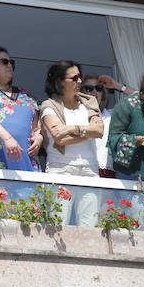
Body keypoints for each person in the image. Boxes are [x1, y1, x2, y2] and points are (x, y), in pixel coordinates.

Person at [40, 61, 104, 226]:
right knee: (58, 224)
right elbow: (60, 138)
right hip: (61, 169)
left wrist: (71, 129)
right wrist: (88, 131)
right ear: (60, 81)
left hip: (90, 170)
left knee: (89, 227)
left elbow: (99, 131)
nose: (80, 81)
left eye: (80, 76)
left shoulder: (89, 102)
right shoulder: (49, 106)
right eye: (74, 78)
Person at [0, 47, 43, 171]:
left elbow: (36, 128)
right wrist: (7, 138)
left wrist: (39, 137)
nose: (10, 65)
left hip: (26, 164)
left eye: (12, 62)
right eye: (5, 62)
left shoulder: (26, 96)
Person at [82, 74, 116, 178]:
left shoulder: (112, 115)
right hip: (83, 172)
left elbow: (140, 100)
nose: (94, 92)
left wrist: (117, 86)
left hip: (107, 172)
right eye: (88, 89)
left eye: (98, 88)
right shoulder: (74, 115)